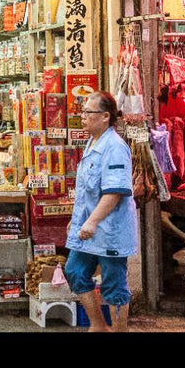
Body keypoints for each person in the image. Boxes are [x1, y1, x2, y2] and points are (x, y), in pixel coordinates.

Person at [63, 91, 138, 332]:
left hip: (109, 231)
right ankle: (98, 325)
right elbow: (88, 191)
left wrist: (92, 222)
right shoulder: (92, 142)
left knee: (114, 286)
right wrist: (77, 221)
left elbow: (114, 192)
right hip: (87, 229)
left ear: (105, 116)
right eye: (82, 112)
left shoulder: (115, 147)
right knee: (74, 271)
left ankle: (118, 330)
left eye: (88, 112)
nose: (82, 117)